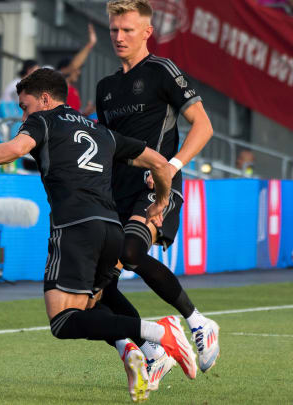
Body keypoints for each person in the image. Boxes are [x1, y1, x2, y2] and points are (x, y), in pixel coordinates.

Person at [0, 67, 196, 402]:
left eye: (24, 106)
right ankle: (146, 352)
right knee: (94, 301)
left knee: (64, 321)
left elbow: (14, 149)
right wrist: (162, 200)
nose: (23, 114)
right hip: (112, 228)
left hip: (75, 227)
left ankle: (158, 332)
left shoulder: (43, 120)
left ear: (44, 99)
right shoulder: (102, 131)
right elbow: (158, 161)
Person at [96, 0, 218, 384]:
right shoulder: (105, 88)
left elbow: (203, 126)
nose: (119, 37)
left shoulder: (162, 70)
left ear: (147, 32)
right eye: (114, 29)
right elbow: (109, 148)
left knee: (131, 252)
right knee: (93, 290)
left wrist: (171, 167)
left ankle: (198, 323)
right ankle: (151, 351)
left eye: (127, 30)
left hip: (158, 186)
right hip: (116, 192)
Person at [57, 23, 98, 115]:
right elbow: (73, 66)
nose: (78, 72)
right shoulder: (56, 86)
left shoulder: (73, 90)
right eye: (77, 69)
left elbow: (73, 116)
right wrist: (90, 44)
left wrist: (86, 112)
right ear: (64, 69)